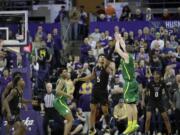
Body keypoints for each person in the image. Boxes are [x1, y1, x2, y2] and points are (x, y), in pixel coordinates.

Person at [75, 53, 115, 135]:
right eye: (100, 57)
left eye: (103, 57)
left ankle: (107, 126)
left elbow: (110, 70)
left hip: (103, 92)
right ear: (98, 59)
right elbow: (90, 77)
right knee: (92, 110)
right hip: (95, 90)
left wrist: (112, 69)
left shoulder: (105, 66)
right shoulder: (95, 68)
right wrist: (79, 79)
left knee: (105, 111)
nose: (102, 58)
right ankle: (92, 128)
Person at [114, 33, 139, 135]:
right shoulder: (129, 55)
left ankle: (129, 125)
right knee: (133, 105)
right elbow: (123, 46)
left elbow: (117, 49)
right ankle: (135, 123)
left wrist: (116, 40)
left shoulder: (125, 56)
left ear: (126, 51)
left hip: (128, 83)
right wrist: (120, 38)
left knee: (128, 106)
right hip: (134, 82)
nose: (124, 47)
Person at [143, 70, 172, 135]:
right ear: (153, 75)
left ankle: (170, 133)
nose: (155, 75)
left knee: (166, 118)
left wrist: (169, 100)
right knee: (148, 119)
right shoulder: (150, 83)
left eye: (156, 74)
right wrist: (143, 101)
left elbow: (167, 92)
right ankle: (146, 133)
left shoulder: (162, 83)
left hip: (159, 101)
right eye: (154, 74)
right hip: (151, 101)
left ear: (159, 75)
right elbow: (144, 92)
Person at [53, 68, 74, 135]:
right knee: (70, 120)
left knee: (68, 120)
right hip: (59, 101)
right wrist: (68, 95)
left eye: (66, 72)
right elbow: (57, 91)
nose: (66, 73)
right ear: (61, 74)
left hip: (60, 101)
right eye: (64, 72)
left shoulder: (61, 80)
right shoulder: (61, 80)